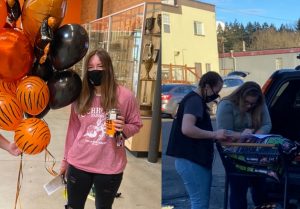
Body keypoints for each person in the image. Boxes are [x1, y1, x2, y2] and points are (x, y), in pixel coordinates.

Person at [60, 49, 143, 209]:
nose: (95, 71)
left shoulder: (125, 96)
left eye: (100, 66)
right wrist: (65, 161)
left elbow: (136, 124)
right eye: (90, 68)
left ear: (109, 68)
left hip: (109, 166)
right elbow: (73, 131)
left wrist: (124, 128)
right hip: (79, 162)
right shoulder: (80, 96)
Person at [166, 71, 229, 209]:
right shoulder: (194, 101)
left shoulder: (193, 100)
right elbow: (187, 129)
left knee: (199, 201)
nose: (215, 96)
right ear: (206, 86)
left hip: (191, 160)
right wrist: (214, 135)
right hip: (192, 160)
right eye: (215, 91)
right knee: (200, 203)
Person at [216, 81, 272, 209]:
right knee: (239, 188)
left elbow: (267, 124)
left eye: (252, 104)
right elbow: (222, 133)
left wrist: (256, 136)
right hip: (234, 153)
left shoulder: (259, 103)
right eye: (246, 102)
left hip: (255, 151)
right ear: (240, 97)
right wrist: (242, 135)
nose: (249, 106)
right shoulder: (226, 105)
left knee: (260, 186)